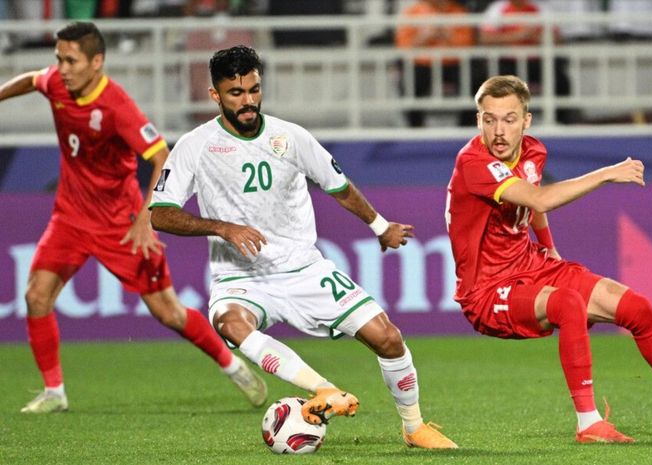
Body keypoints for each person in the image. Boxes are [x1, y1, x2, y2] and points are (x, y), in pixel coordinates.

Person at [149, 44, 457, 449]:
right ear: (215, 96)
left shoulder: (290, 137)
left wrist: (381, 227)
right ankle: (324, 389)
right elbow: (161, 213)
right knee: (229, 323)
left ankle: (414, 426)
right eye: (235, 94)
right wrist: (223, 228)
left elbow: (339, 188)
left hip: (304, 269)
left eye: (254, 90)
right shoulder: (195, 145)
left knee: (388, 338)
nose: (248, 101)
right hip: (241, 276)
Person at [0, 22, 267, 413]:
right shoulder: (57, 82)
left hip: (120, 225)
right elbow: (32, 80)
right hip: (70, 217)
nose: (62, 68)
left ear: (97, 62)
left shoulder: (116, 106)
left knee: (168, 312)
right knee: (37, 295)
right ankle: (54, 392)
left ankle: (232, 366)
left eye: (71, 60)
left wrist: (145, 218)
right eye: (59, 58)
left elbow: (161, 156)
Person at [446, 75, 652, 443]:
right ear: (478, 120)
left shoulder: (532, 151)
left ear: (527, 121)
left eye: (509, 119)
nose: (498, 131)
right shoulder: (474, 162)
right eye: (489, 119)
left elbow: (531, 200)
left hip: (531, 264)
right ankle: (588, 423)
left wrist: (548, 246)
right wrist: (607, 173)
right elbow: (540, 200)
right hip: (487, 291)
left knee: (636, 307)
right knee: (567, 303)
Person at [479, 0, 576, 123]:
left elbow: (557, 39)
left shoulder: (541, 9)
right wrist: (517, 36)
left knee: (560, 80)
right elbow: (485, 38)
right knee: (486, 81)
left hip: (537, 62)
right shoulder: (498, 9)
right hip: (507, 63)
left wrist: (537, 37)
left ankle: (562, 121)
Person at [394, 0, 477, 127]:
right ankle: (415, 128)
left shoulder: (458, 12)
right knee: (409, 84)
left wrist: (447, 36)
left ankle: (465, 126)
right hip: (422, 64)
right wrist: (425, 37)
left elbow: (467, 44)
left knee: (474, 81)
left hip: (453, 63)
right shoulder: (413, 13)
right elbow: (403, 46)